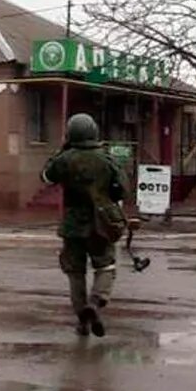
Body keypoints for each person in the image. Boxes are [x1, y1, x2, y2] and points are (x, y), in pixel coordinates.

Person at [41, 113, 127, 338]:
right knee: (106, 267)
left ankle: (82, 321)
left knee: (75, 273)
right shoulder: (106, 159)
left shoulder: (65, 159)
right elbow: (121, 189)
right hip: (101, 224)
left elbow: (47, 176)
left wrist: (61, 151)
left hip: (72, 225)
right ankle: (96, 302)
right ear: (94, 132)